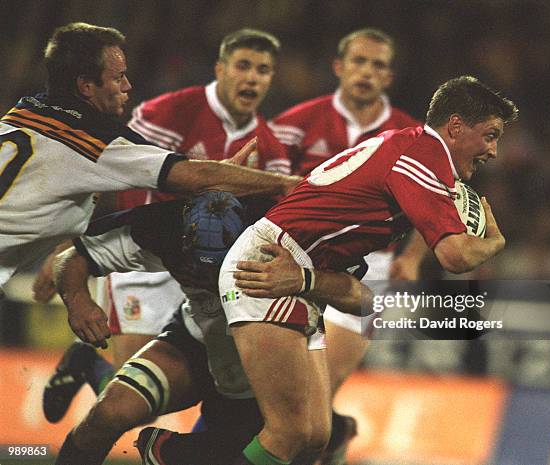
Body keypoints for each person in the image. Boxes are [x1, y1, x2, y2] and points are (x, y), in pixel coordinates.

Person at [219, 75, 518, 464]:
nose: (493, 151)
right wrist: (495, 242)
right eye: (491, 135)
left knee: (314, 433)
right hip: (272, 263)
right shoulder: (423, 157)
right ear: (456, 126)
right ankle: (178, 453)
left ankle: (179, 451)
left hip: (303, 272)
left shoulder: (414, 145)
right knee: (289, 430)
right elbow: (454, 257)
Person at [40, 27, 290, 425]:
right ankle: (87, 361)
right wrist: (65, 247)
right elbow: (103, 177)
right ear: (220, 69)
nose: (253, 78)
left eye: (263, 70)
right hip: (146, 258)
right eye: (243, 66)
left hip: (206, 276)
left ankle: (199, 443)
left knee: (196, 383)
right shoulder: (169, 112)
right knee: (127, 393)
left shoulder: (271, 145)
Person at [51, 192, 369, 465]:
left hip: (268, 357)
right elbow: (74, 258)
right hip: (196, 339)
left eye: (223, 269)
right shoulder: (159, 228)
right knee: (109, 412)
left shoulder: (291, 236)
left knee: (299, 441)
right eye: (201, 269)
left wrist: (307, 280)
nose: (214, 278)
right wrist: (77, 299)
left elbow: (364, 300)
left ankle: (177, 452)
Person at [0, 22, 298, 291]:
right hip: (145, 264)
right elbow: (191, 178)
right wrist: (284, 184)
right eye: (118, 78)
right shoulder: (98, 142)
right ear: (87, 86)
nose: (128, 85)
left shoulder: (21, 113)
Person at [269, 28, 423, 462]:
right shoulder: (297, 123)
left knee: (321, 390)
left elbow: (432, 208)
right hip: (297, 260)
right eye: (359, 61)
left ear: (388, 77)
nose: (366, 72)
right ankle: (334, 432)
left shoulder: (412, 136)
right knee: (289, 399)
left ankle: (329, 431)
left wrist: (410, 258)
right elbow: (265, 187)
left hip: (371, 267)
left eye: (377, 65)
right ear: (340, 67)